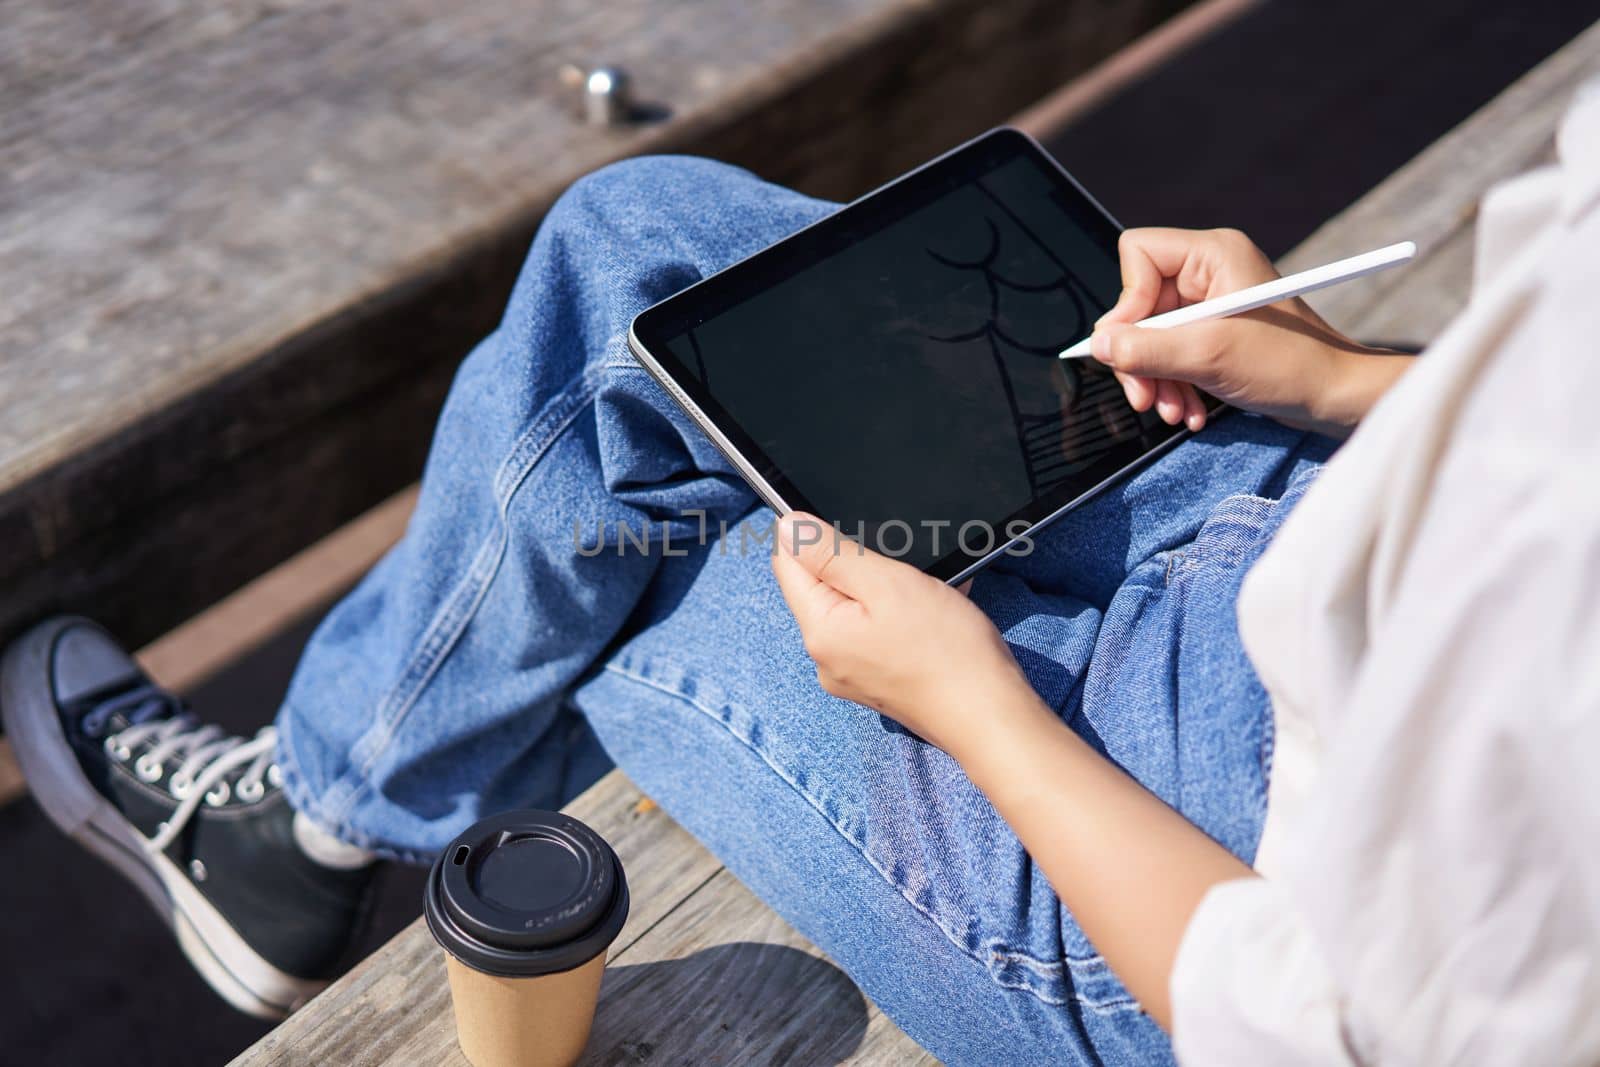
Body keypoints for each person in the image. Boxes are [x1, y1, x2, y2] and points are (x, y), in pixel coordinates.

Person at [4, 87, 1597, 1064]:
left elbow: (1329, 1028)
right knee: (642, 241)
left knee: (635, 532)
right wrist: (1346, 384)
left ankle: (312, 836)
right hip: (1324, 530)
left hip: (1184, 883)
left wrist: (983, 715)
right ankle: (352, 812)